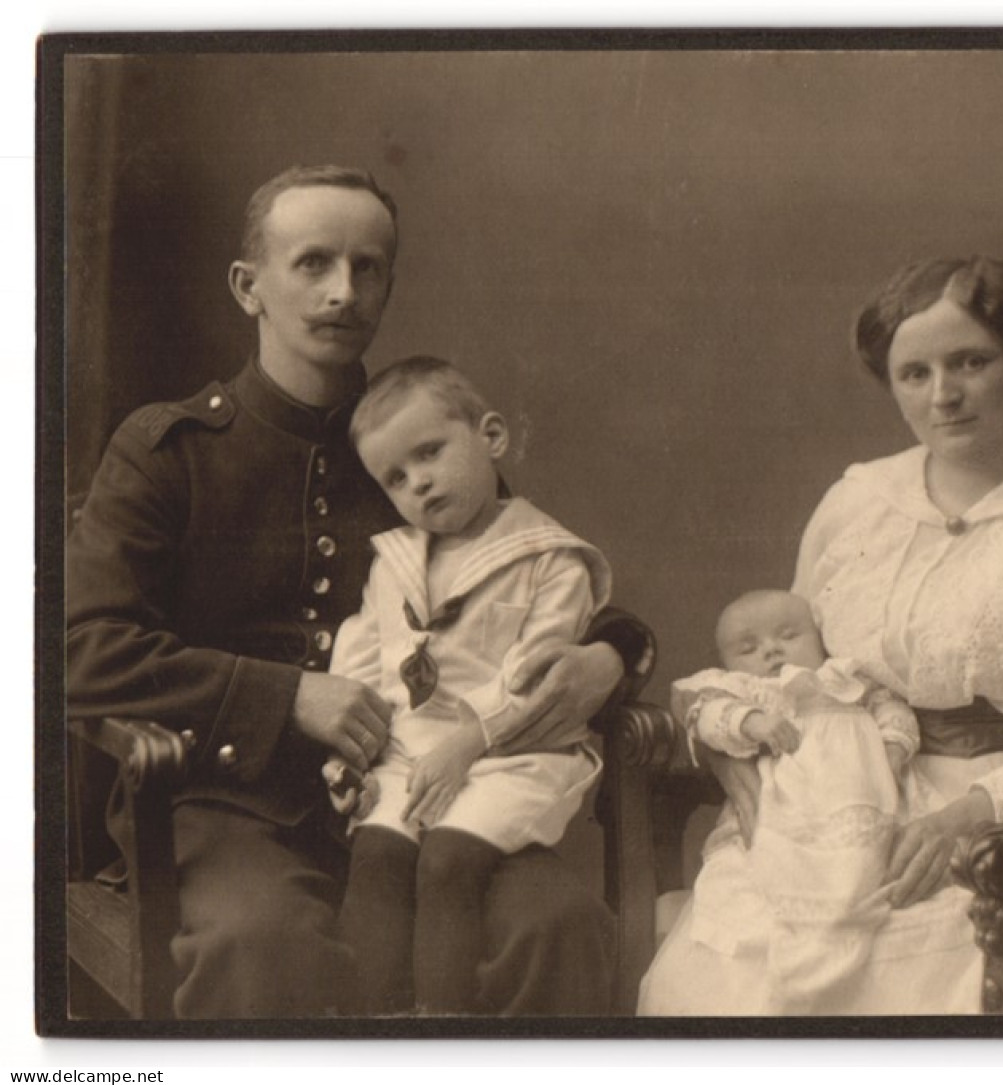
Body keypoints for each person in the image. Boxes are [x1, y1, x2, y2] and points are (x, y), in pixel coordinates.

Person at [64, 165, 649, 1018]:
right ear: (248, 286)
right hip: (228, 805)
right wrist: (285, 695)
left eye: (367, 267)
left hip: (426, 787)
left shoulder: (421, 450)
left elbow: (531, 573)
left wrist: (613, 653)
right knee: (261, 944)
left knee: (557, 925)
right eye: (312, 264)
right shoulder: (168, 451)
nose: (344, 291)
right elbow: (77, 649)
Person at [640, 255, 1003, 1014]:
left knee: (887, 964)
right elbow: (787, 677)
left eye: (970, 362)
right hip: (834, 808)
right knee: (739, 965)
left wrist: (973, 813)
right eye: (913, 373)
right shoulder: (856, 499)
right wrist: (739, 763)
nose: (943, 395)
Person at [318, 356, 612, 1015]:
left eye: (430, 453)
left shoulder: (550, 559)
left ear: (493, 437)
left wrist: (468, 740)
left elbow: (540, 682)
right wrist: (350, 756)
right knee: (378, 854)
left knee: (447, 858)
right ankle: (369, 1033)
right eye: (395, 477)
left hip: (509, 752)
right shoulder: (394, 561)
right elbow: (361, 660)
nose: (418, 483)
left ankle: (443, 1034)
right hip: (408, 754)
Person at [657, 589, 916, 1014]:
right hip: (783, 807)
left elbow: (893, 710)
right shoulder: (748, 690)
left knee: (859, 878)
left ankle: (828, 949)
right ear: (727, 662)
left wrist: (892, 748)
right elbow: (708, 715)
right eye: (748, 647)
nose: (771, 650)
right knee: (754, 884)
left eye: (787, 635)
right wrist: (752, 722)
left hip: (856, 802)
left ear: (819, 638)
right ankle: (793, 963)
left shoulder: (847, 680)